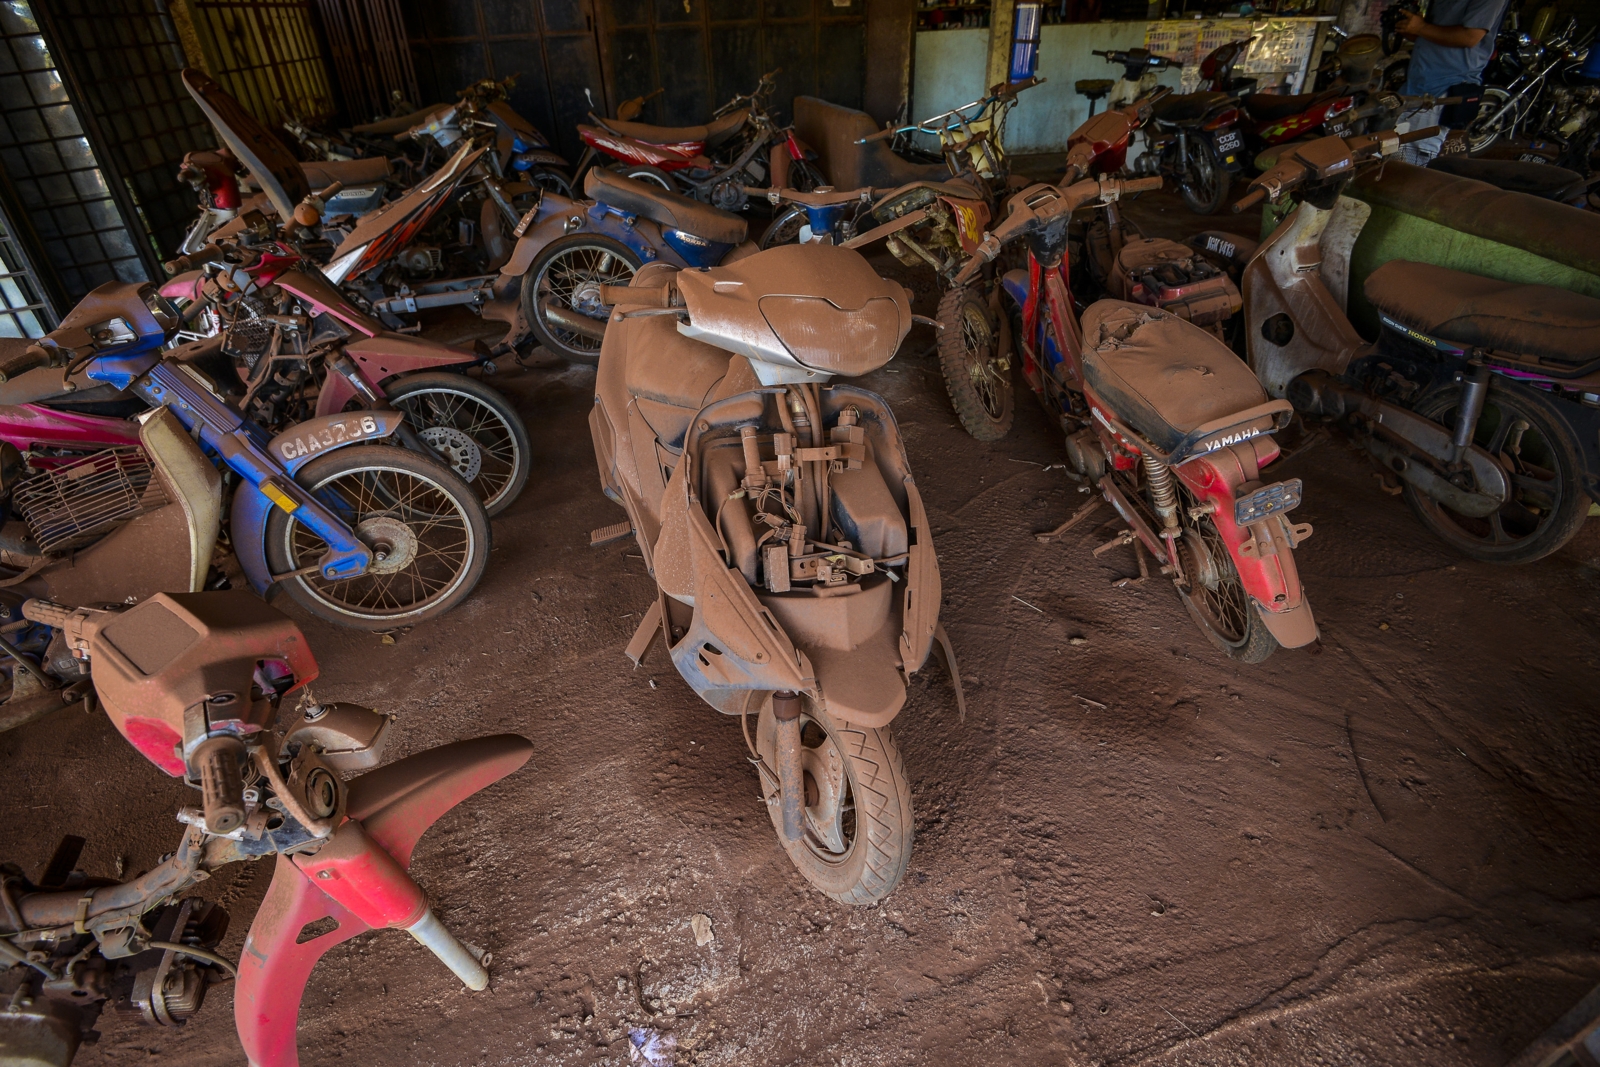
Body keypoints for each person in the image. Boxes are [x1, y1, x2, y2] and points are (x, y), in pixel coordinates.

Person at [1396, 0, 1510, 162]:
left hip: (1444, 89)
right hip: (1417, 83)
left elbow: (1470, 37)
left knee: (1413, 160)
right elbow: (1433, 33)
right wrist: (1409, 27)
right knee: (1393, 151)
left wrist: (1421, 27)